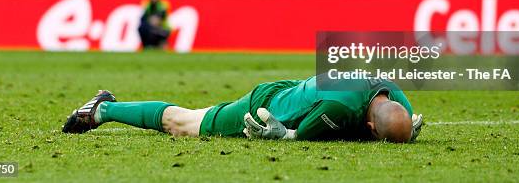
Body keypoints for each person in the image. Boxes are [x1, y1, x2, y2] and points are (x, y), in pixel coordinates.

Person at [62, 75, 423, 144]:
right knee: (183, 123)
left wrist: (403, 128)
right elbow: (294, 135)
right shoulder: (338, 106)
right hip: (266, 105)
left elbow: (394, 117)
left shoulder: (397, 98)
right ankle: (103, 109)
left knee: (193, 117)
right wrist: (285, 135)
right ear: (373, 129)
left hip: (297, 89)